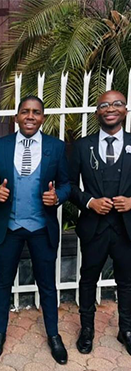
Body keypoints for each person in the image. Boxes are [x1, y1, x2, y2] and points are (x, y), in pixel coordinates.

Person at [0, 95, 70, 364]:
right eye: (25, 111)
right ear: (16, 116)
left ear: (42, 117)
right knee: (3, 283)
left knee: (47, 285)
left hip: (41, 227)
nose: (30, 116)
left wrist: (57, 197)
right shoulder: (0, 146)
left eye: (36, 112)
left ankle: (54, 335)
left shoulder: (56, 147)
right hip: (9, 227)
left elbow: (66, 184)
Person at [69, 90, 131, 356]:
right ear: (97, 112)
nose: (111, 109)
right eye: (104, 105)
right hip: (94, 227)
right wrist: (89, 202)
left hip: (126, 228)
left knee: (127, 281)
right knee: (88, 279)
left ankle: (126, 329)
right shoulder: (83, 146)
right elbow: (69, 186)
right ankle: (87, 330)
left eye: (117, 104)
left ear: (125, 110)